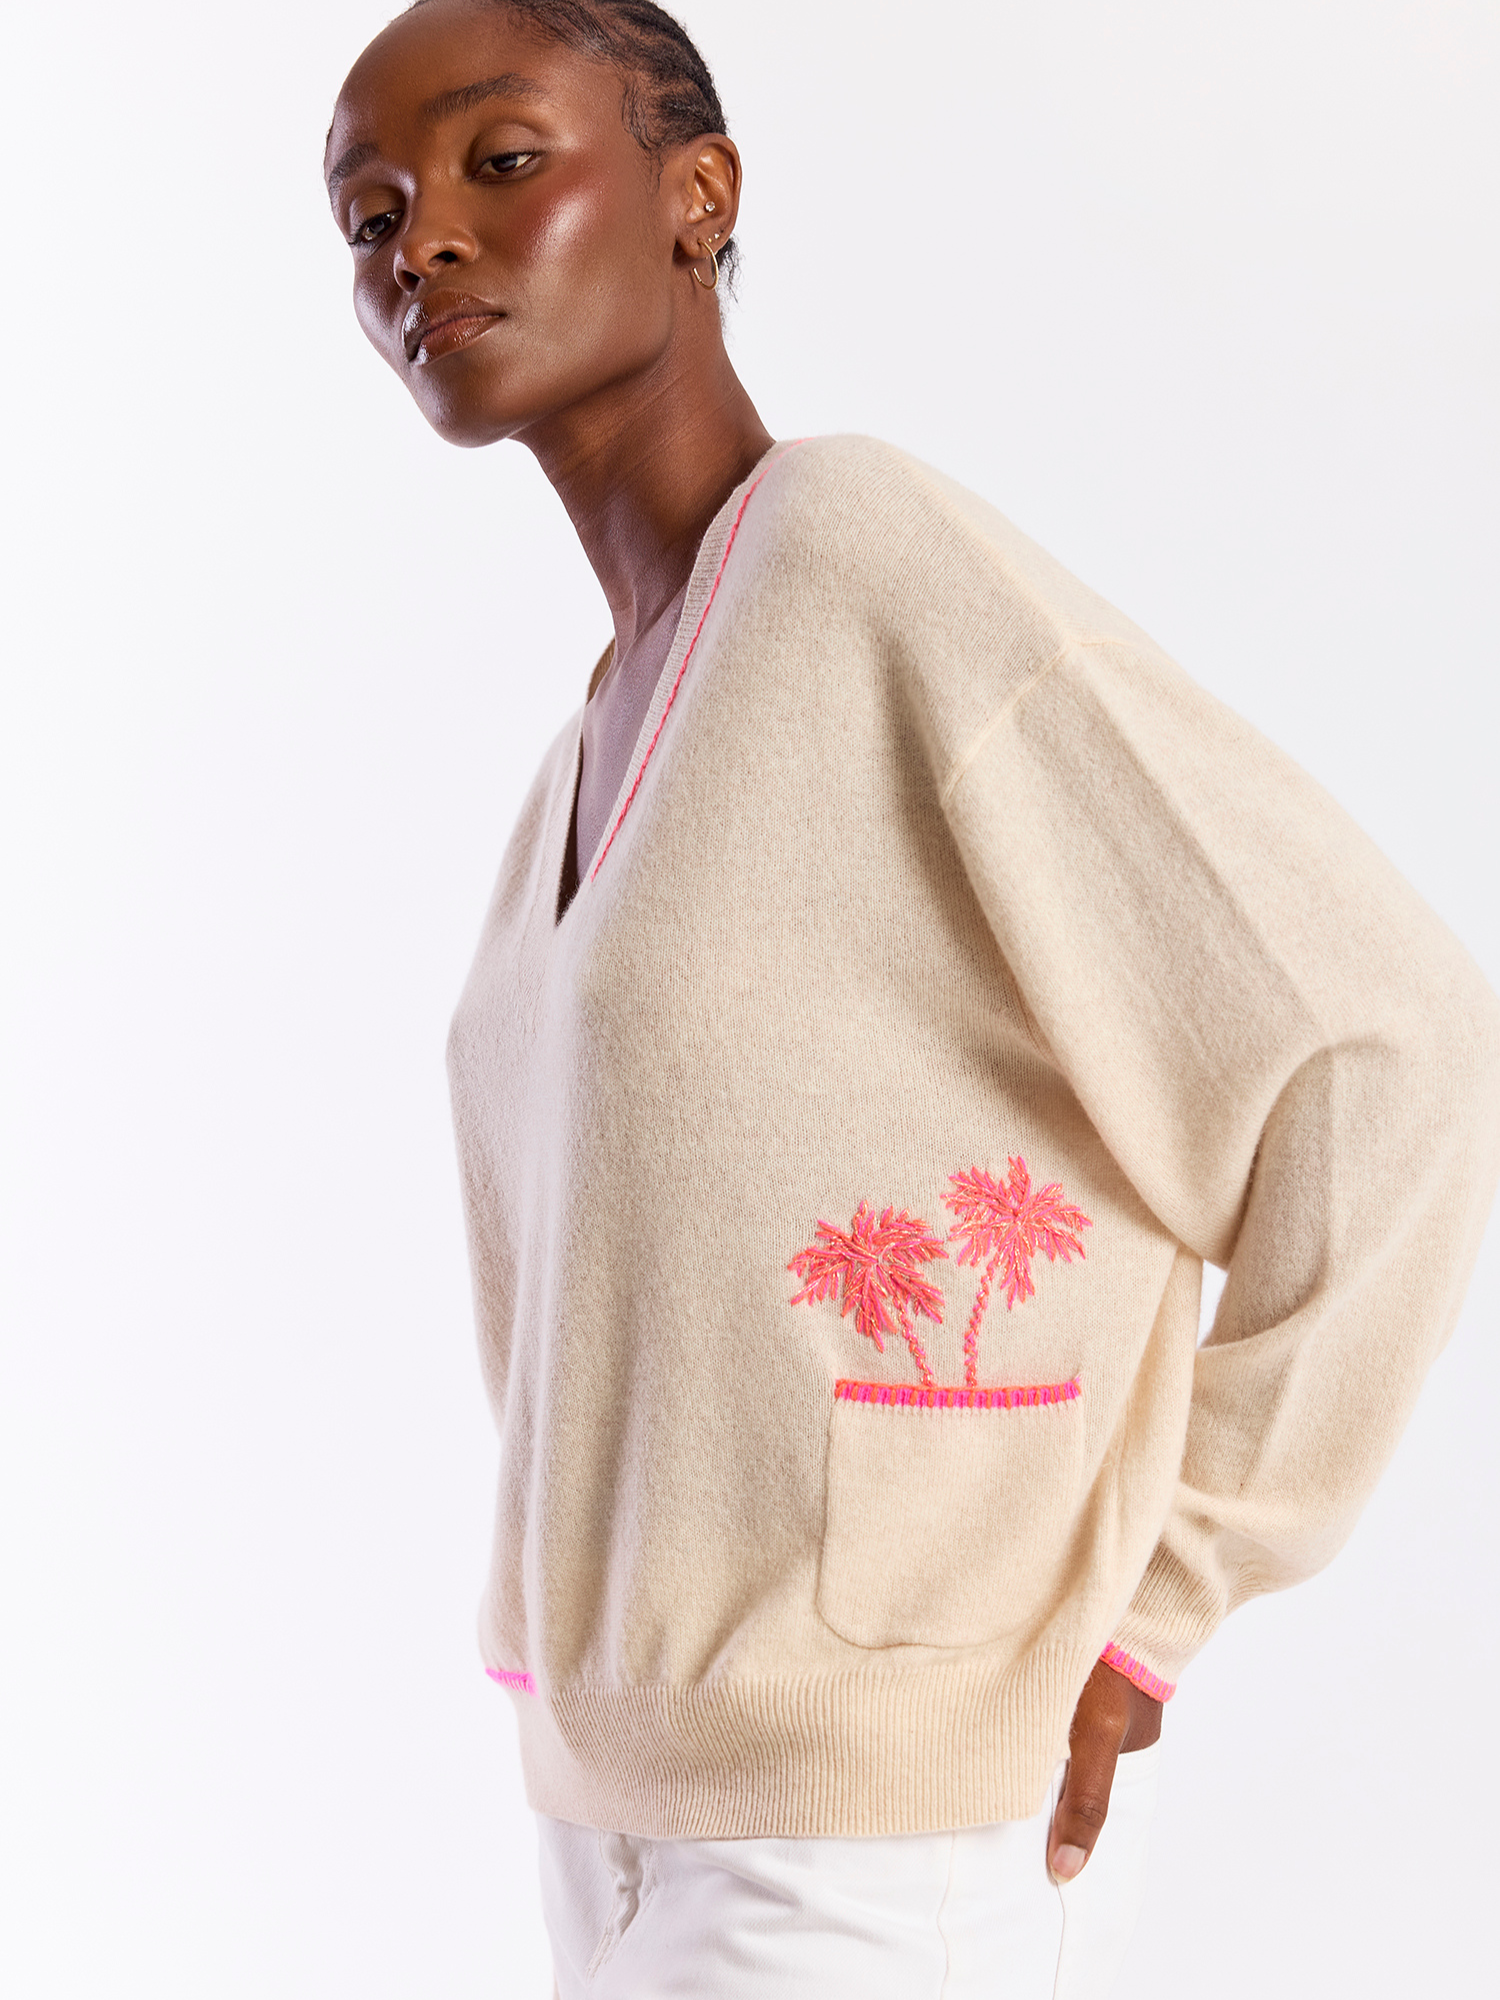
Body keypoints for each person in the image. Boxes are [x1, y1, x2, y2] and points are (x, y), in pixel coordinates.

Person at [324, 4, 1500, 1993]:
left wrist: (1160, 1607)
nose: (419, 241)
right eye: (369, 213)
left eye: (498, 161)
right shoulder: (588, 744)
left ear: (698, 198)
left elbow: (1390, 1049)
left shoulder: (866, 566)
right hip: (608, 1828)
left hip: (873, 1849)